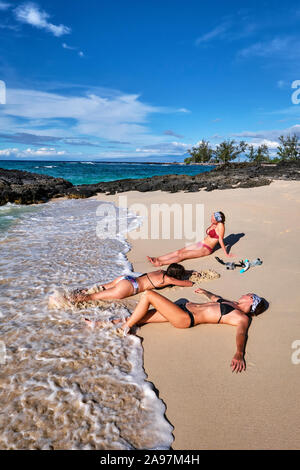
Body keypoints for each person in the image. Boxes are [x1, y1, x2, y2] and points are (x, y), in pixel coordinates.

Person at [89, 288, 266, 373]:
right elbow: (215, 298)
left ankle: (124, 329)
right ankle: (100, 325)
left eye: (248, 294)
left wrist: (239, 353)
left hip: (185, 318)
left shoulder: (241, 317)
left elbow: (241, 333)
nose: (245, 293)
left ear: (251, 300)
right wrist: (204, 292)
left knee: (149, 295)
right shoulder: (231, 303)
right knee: (140, 317)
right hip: (182, 309)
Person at [147, 211, 233, 267]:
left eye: (213, 218)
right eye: (211, 217)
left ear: (218, 220)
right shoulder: (214, 224)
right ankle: (157, 258)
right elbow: (214, 237)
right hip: (201, 243)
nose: (211, 218)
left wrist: (226, 253)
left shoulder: (221, 226)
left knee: (182, 256)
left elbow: (220, 239)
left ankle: (161, 263)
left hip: (206, 249)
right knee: (179, 251)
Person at [71, 263, 193, 303]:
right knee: (92, 297)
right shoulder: (168, 279)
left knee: (99, 288)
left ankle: (74, 292)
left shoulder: (160, 271)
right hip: (130, 287)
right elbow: (188, 284)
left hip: (127, 278)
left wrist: (189, 271)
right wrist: (188, 276)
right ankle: (68, 300)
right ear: (176, 275)